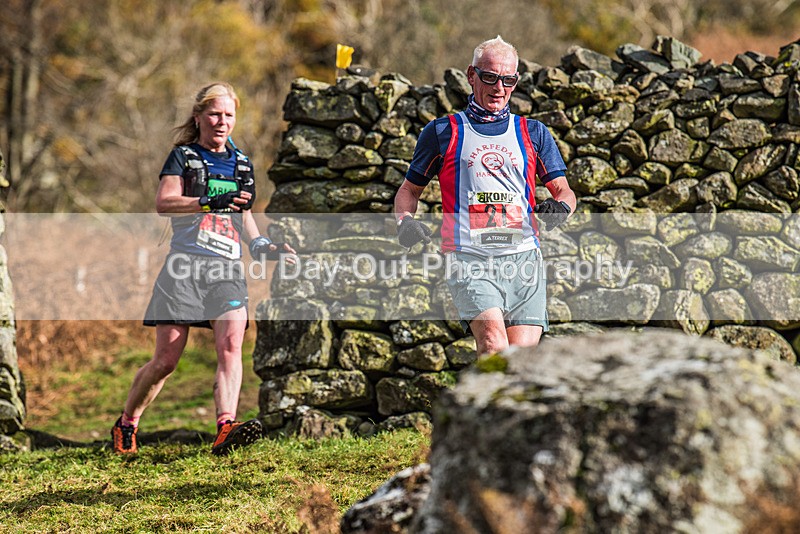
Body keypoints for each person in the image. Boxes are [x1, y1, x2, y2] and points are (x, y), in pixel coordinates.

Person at [111, 82, 295, 455]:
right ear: (199, 117)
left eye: (229, 115)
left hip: (226, 269)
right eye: (215, 114)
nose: (222, 121)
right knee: (165, 361)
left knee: (231, 346)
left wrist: (263, 246)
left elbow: (244, 218)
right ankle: (127, 422)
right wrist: (210, 201)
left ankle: (226, 426)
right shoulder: (183, 156)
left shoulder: (242, 163)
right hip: (184, 268)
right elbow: (165, 202)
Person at [394, 36, 576, 356]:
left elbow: (565, 191)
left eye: (508, 80)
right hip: (469, 258)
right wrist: (404, 221)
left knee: (520, 363)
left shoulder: (533, 132)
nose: (499, 88)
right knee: (493, 345)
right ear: (471, 75)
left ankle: (491, 406)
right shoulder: (442, 132)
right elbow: (409, 190)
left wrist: (560, 207)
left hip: (524, 260)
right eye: (490, 77)